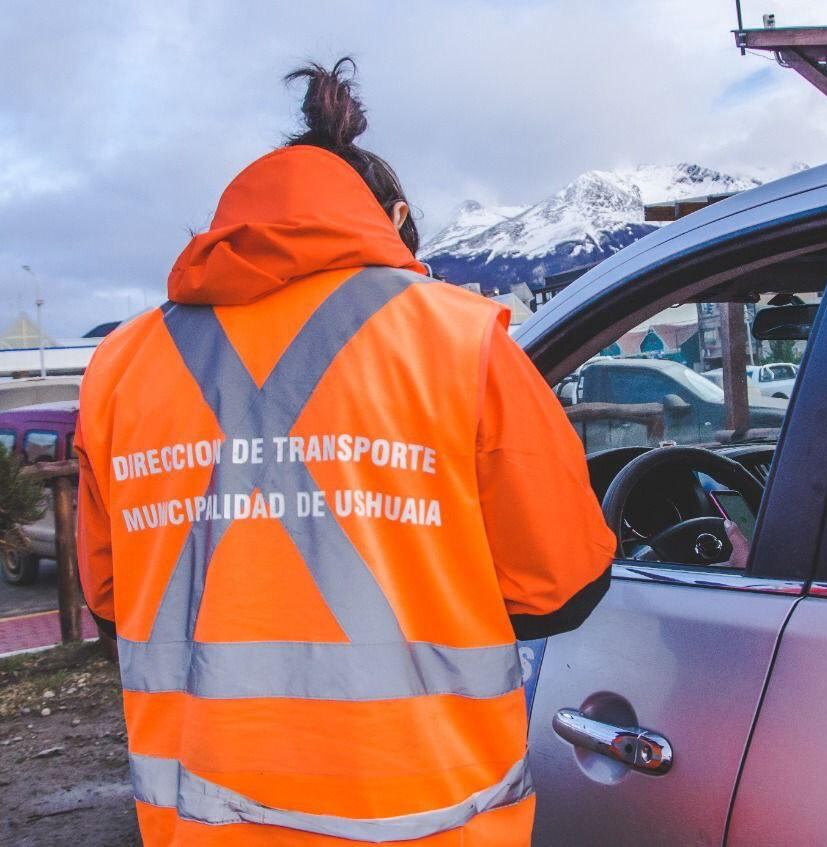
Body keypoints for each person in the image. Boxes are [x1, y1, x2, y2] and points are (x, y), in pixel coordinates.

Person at [74, 58, 615, 846]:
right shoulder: (463, 340)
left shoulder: (118, 369)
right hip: (433, 822)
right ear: (394, 218)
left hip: (198, 825)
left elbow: (111, 595)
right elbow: (561, 588)